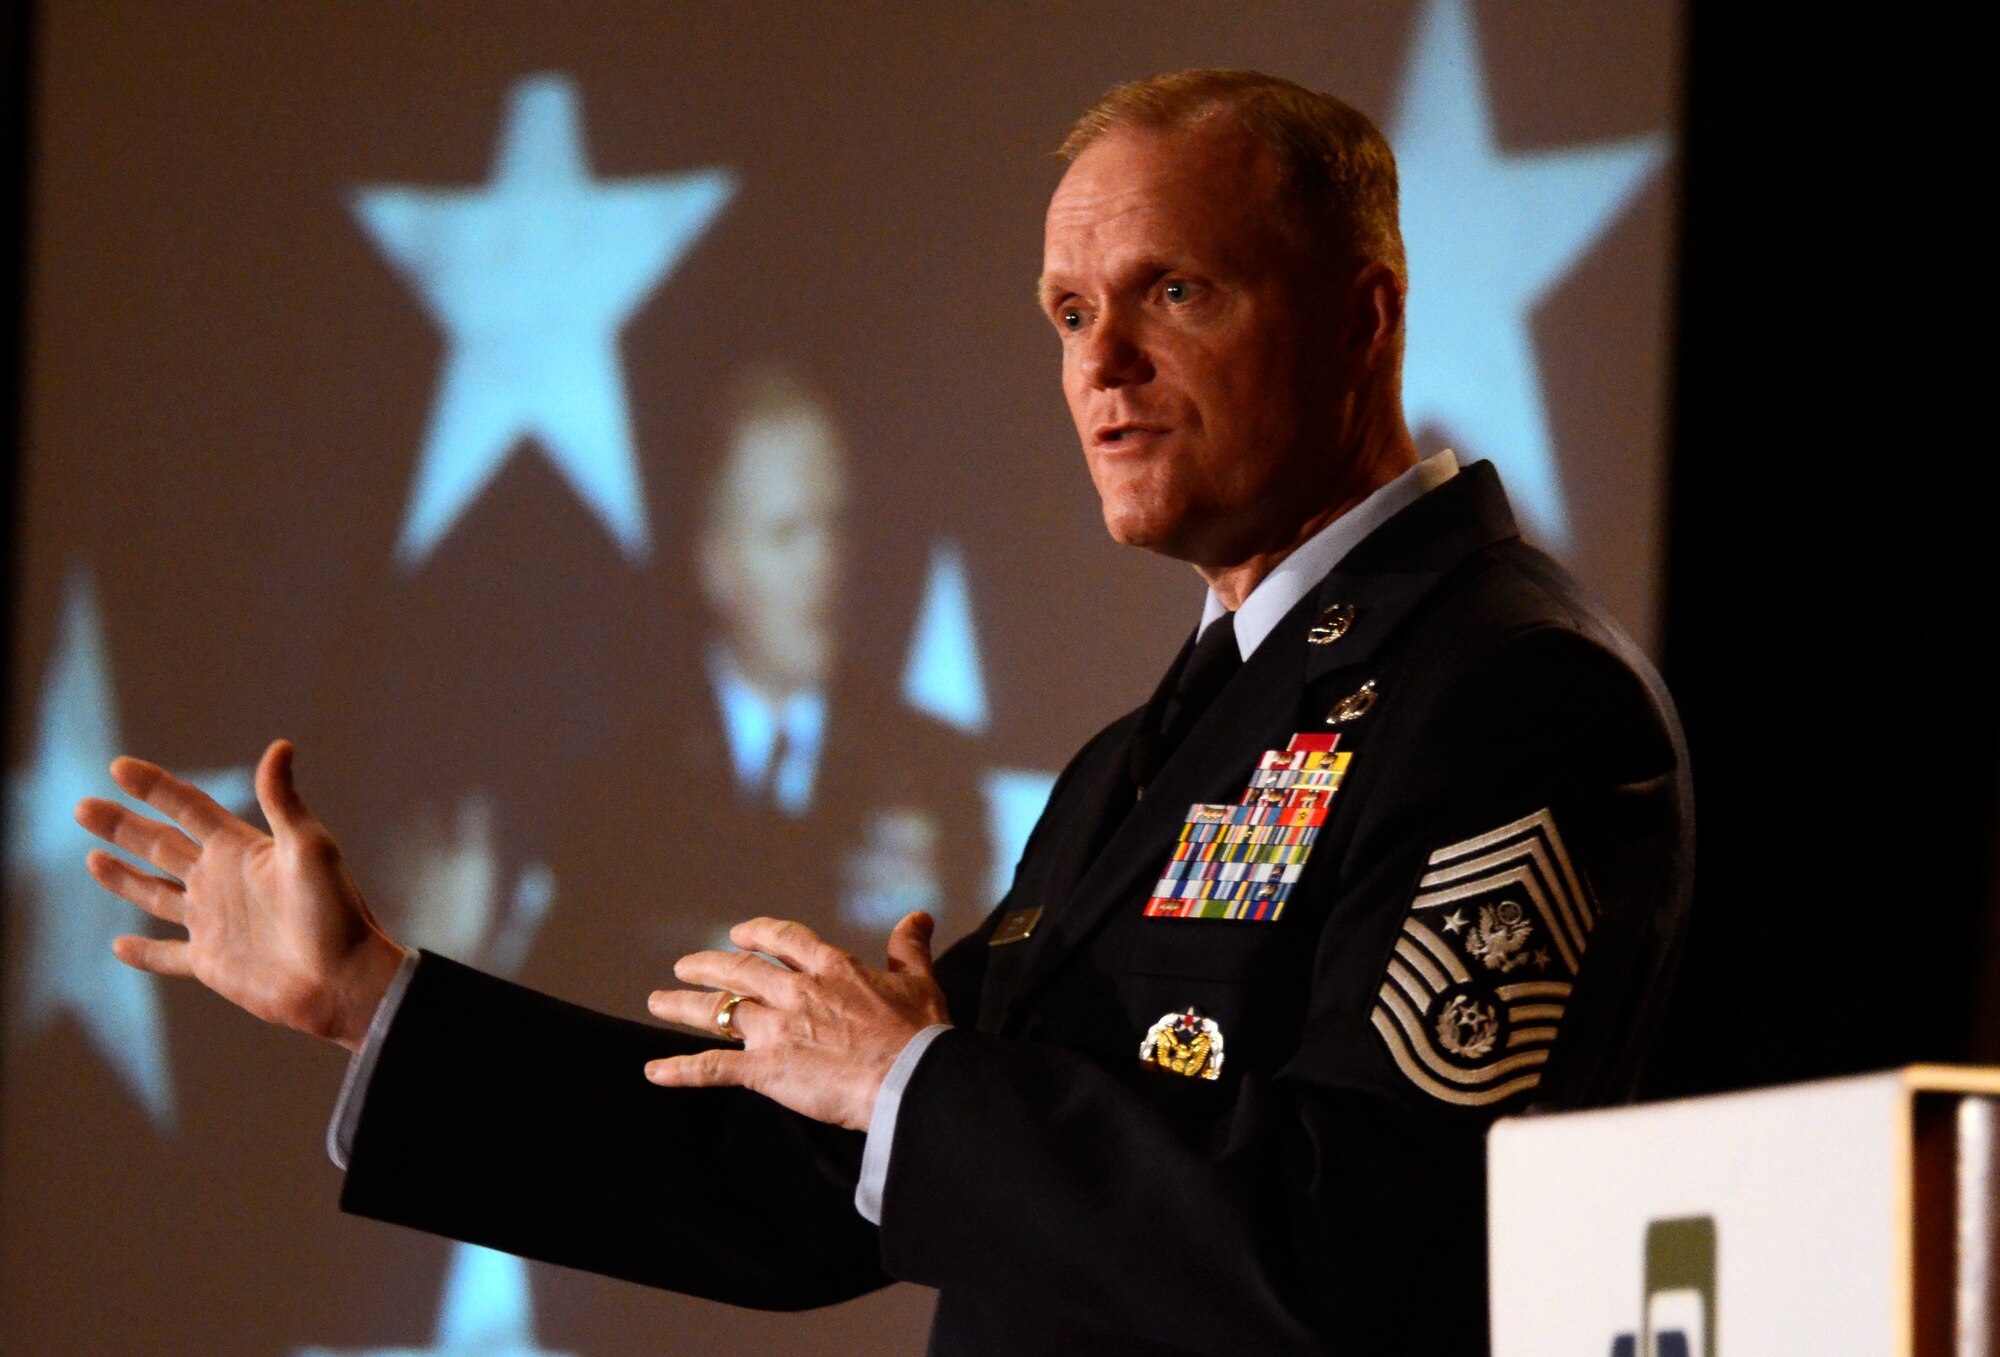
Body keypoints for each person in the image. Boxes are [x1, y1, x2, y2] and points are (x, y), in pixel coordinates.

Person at [75, 70, 1691, 1355]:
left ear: (1365, 320)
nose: (1102, 365)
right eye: (1068, 313)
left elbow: (1388, 1239)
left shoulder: (1507, 691)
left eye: (1175, 290)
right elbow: (792, 1187)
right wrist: (368, 996)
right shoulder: (1148, 757)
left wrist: (916, 1087)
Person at [527, 364, 988, 1014]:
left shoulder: (932, 770)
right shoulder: (620, 786)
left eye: (834, 525)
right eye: (787, 533)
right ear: (714, 561)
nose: (823, 565)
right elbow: (572, 994)